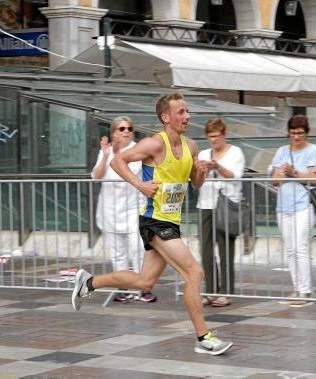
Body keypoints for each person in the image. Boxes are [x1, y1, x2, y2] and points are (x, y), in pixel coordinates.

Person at [72, 93, 233, 355]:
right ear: (165, 117)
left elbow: (195, 184)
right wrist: (140, 185)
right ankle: (204, 338)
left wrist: (201, 172)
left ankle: (88, 283)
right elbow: (117, 161)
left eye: (188, 111)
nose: (187, 116)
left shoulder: (191, 146)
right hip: (154, 220)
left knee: (144, 283)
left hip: (171, 221)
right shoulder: (153, 144)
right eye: (181, 112)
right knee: (194, 273)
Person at [91, 116, 156, 302]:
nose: (126, 131)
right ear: (113, 132)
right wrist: (105, 155)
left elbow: (131, 172)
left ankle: (142, 287)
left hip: (132, 208)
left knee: (137, 248)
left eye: (129, 128)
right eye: (121, 129)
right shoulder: (107, 151)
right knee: (117, 251)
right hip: (109, 209)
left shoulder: (136, 150)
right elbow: (96, 176)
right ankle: (123, 287)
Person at [269, 115, 316, 308]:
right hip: (283, 206)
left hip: (303, 205)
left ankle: (305, 290)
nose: (296, 137)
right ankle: (297, 288)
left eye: (300, 133)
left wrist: (294, 173)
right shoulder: (282, 151)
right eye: (293, 133)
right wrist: (283, 173)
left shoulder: (313, 150)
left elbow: (314, 179)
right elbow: (274, 180)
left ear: (306, 133)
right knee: (291, 249)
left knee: (300, 247)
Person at [196, 117, 245, 307]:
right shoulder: (203, 153)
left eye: (216, 136)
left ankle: (226, 292)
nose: (214, 140)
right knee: (206, 251)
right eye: (210, 137)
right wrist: (201, 172)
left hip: (226, 203)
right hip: (205, 203)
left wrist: (217, 166)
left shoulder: (235, 152)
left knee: (226, 250)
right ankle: (211, 289)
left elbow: (235, 176)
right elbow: (197, 183)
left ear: (224, 135)